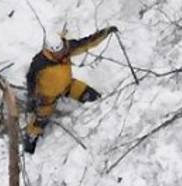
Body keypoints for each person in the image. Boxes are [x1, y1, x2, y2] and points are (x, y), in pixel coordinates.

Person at [23, 25, 118, 154]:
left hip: (68, 86)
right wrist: (32, 100)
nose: (61, 54)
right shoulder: (39, 63)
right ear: (49, 51)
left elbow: (87, 42)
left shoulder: (66, 48)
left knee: (94, 98)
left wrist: (104, 33)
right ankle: (28, 148)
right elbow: (31, 81)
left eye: (61, 50)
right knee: (38, 124)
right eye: (57, 53)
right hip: (46, 97)